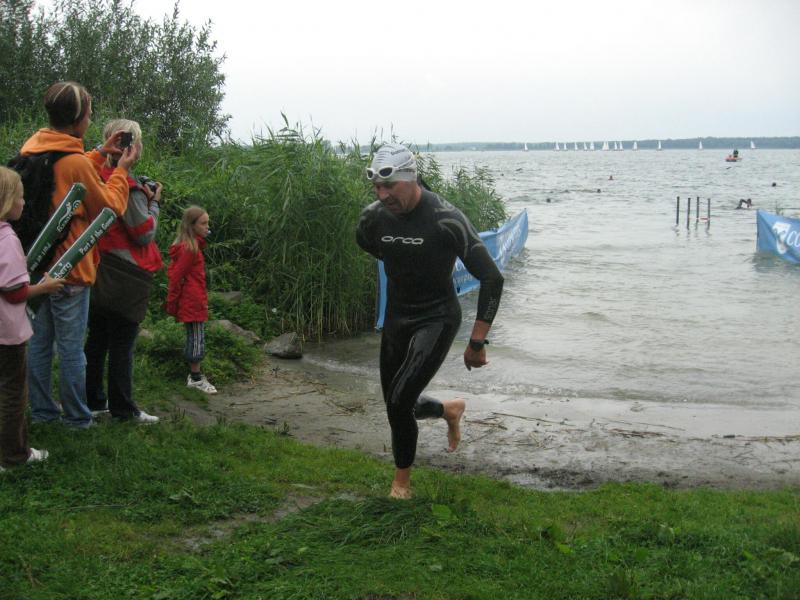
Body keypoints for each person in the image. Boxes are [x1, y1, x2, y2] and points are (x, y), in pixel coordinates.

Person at [355, 144, 504, 499]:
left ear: (412, 178)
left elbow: (491, 277)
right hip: (397, 316)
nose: (382, 195)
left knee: (399, 402)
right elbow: (371, 245)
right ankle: (448, 409)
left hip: (437, 317)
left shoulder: (445, 218)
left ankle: (400, 485)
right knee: (396, 402)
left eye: (390, 186)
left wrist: (477, 342)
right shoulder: (372, 219)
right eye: (377, 187)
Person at [21, 81, 138, 429]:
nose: (90, 119)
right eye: (88, 114)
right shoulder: (75, 162)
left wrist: (100, 151)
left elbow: (67, 168)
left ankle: (43, 413)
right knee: (72, 349)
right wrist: (121, 171)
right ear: (78, 119)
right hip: (70, 266)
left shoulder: (33, 148)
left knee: (40, 344)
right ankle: (76, 418)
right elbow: (109, 207)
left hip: (38, 264)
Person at [84, 119, 163, 423]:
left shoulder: (93, 174)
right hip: (126, 273)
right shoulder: (128, 187)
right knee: (122, 344)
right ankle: (123, 408)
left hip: (98, 266)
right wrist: (154, 205)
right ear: (132, 147)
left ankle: (93, 400)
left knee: (97, 339)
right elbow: (143, 232)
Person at [0, 167, 64, 470]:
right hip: (7, 332)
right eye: (20, 197)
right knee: (13, 393)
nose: (24, 203)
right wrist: (45, 287)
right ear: (6, 200)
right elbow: (14, 292)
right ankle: (13, 455)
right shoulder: (7, 239)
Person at [166, 206, 217, 394]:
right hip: (192, 300)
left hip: (194, 298)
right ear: (191, 225)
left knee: (195, 336)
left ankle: (195, 376)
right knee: (197, 338)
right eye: (203, 223)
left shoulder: (193, 246)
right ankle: (195, 378)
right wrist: (172, 301)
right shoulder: (190, 249)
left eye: (207, 223)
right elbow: (176, 276)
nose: (207, 227)